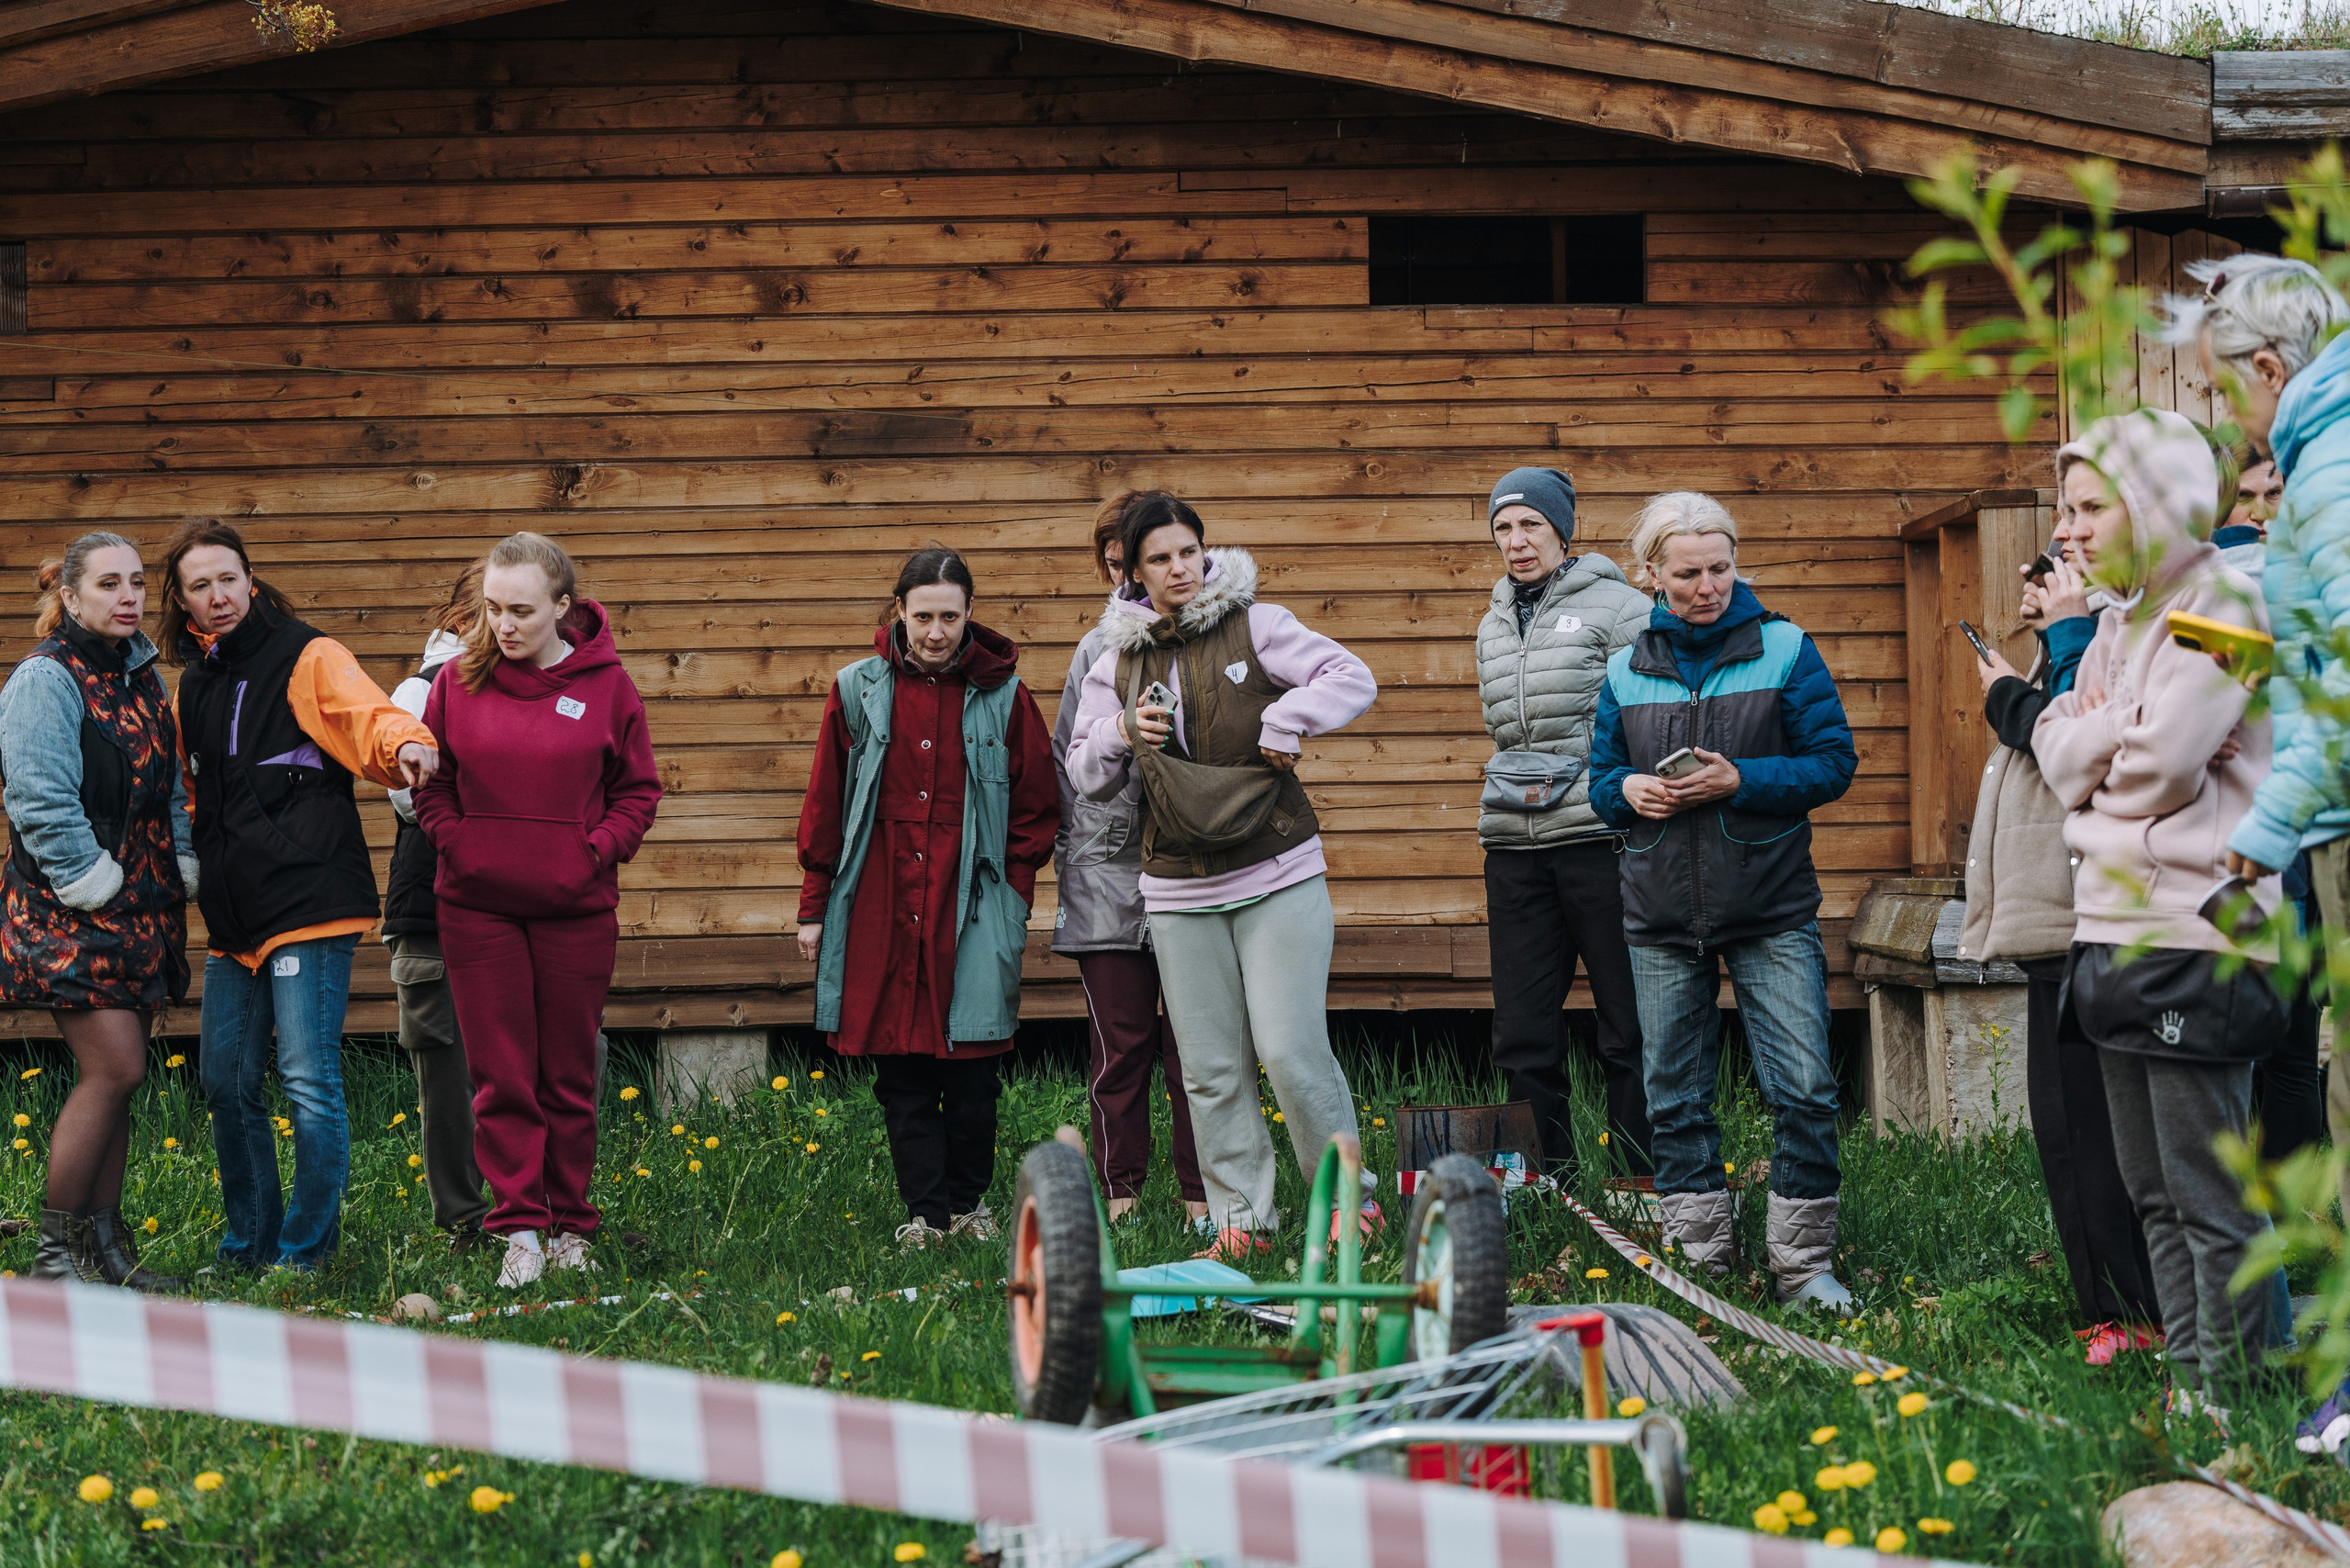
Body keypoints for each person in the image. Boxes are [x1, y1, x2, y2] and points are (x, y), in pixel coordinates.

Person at [2033, 408, 2286, 1415]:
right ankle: (2198, 1383)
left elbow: (2163, 766)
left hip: (2199, 932)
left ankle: (2230, 1399)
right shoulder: (2113, 622)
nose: (2072, 530)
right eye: (2067, 508)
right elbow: (2057, 754)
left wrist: (2097, 749)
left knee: (2204, 1193)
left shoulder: (2223, 599)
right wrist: (2100, 742)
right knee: (2150, 1194)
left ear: (2153, 501)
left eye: (2091, 507)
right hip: (2111, 929)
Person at [1064, 493, 1379, 1257]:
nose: (1180, 569)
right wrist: (1117, 731)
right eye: (1160, 559)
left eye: (1188, 552)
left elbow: (1352, 676)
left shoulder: (1258, 624)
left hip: (1277, 870)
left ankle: (1347, 1205)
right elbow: (1081, 772)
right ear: (1134, 574)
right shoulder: (1116, 660)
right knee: (1208, 1069)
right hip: (1176, 890)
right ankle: (1243, 1223)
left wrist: (1286, 718)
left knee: (1288, 1047)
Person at [1588, 491, 1859, 1312]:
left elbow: (1835, 762)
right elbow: (1600, 781)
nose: (1708, 587)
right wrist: (1629, 788)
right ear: (1653, 576)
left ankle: (1803, 1269)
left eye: (1721, 568)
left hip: (1770, 908)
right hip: (1661, 914)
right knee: (1673, 1096)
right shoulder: (1626, 666)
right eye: (1688, 574)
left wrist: (1743, 778)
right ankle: (1702, 1263)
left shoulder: (1785, 647)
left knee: (1806, 1089)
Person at [163, 518, 438, 1274]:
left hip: (311, 897)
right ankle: (247, 1246)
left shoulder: (308, 654)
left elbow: (368, 716)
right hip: (234, 916)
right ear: (183, 603)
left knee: (308, 1078)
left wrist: (406, 745)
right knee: (224, 1081)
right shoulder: (196, 687)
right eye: (201, 585)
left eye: (229, 578)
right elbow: (192, 797)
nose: (219, 596)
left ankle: (303, 1254)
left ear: (250, 580)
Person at [416, 534, 660, 1289]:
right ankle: (519, 1227)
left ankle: (571, 1226)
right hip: (476, 909)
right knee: (501, 1076)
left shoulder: (608, 687)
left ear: (564, 606)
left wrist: (593, 851)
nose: (504, 624)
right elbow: (433, 782)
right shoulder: (456, 682)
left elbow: (638, 792)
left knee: (566, 1074)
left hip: (574, 910)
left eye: (521, 610)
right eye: (492, 609)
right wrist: (458, 842)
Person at [796, 548, 1057, 1249]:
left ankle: (969, 1206)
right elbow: (825, 802)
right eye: (922, 617)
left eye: (949, 616)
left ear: (969, 615)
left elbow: (1037, 806)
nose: (935, 632)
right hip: (880, 893)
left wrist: (1015, 896)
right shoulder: (857, 689)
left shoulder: (1006, 696)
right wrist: (814, 904)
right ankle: (926, 1216)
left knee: (972, 1069)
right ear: (898, 614)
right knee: (901, 1070)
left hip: (972, 901)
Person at [1959, 497, 2162, 1361]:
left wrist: (2007, 693)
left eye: (2054, 564)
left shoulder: (2115, 638)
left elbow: (2075, 746)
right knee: (2069, 1128)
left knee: (2092, 1129)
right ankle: (2112, 1305)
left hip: (2094, 920)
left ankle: (2127, 1312)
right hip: (2057, 921)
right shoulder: (2072, 646)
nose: (2033, 580)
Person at [1, 533, 189, 1291]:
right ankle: (54, 1262)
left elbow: (168, 784)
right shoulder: (45, 680)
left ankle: (104, 1251)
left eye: (138, 582)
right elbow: (39, 799)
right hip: (69, 910)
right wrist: (93, 883)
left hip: (142, 909)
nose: (129, 597)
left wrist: (179, 865)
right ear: (69, 598)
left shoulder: (140, 674)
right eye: (109, 584)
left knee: (125, 1077)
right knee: (114, 1068)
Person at [1475, 466, 1655, 1184]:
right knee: (1521, 1032)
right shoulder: (1492, 621)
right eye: (1503, 528)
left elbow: (1645, 722)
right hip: (1514, 848)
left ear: (1561, 530)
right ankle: (1540, 1182)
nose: (1517, 542)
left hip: (1601, 841)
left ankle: (1640, 1180)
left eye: (1531, 526)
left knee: (1628, 1024)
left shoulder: (1621, 609)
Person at [1051, 498, 1208, 1227]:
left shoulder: (1211, 634)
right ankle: (1121, 1193)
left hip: (1193, 868)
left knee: (1197, 1050)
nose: (1128, 579)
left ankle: (1201, 1193)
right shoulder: (1098, 648)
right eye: (1115, 566)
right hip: (1108, 877)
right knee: (1121, 1049)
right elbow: (1071, 762)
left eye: (1133, 564)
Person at [384, 562, 492, 1252]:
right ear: (462, 618)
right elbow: (407, 798)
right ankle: (466, 1219)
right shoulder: (420, 691)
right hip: (431, 906)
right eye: (495, 611)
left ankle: (542, 1207)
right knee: (447, 1071)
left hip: (518, 908)